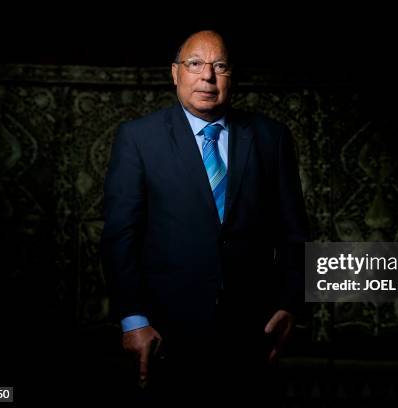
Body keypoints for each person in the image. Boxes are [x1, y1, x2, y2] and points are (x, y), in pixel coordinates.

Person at [101, 30, 308, 405]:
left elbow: (294, 231)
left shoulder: (271, 137)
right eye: (195, 64)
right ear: (175, 73)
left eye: (220, 66)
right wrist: (133, 319)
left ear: (234, 75)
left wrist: (290, 303)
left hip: (251, 335)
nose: (207, 77)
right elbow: (120, 236)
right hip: (165, 335)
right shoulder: (138, 138)